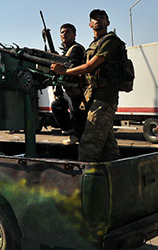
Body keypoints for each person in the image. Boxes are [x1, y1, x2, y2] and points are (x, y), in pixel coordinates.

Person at [51, 9, 124, 162]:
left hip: (103, 98)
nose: (98, 20)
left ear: (108, 22)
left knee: (88, 145)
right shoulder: (94, 44)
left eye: (102, 18)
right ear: (90, 24)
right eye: (95, 18)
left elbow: (90, 66)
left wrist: (64, 71)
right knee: (107, 145)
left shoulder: (110, 41)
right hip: (94, 97)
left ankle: (87, 181)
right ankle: (117, 176)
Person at [50, 23, 86, 145]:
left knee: (76, 113)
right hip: (70, 90)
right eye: (62, 32)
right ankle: (70, 132)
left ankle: (77, 136)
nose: (64, 34)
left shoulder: (76, 49)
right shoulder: (67, 51)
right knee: (57, 105)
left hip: (78, 90)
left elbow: (71, 66)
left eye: (67, 32)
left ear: (74, 35)